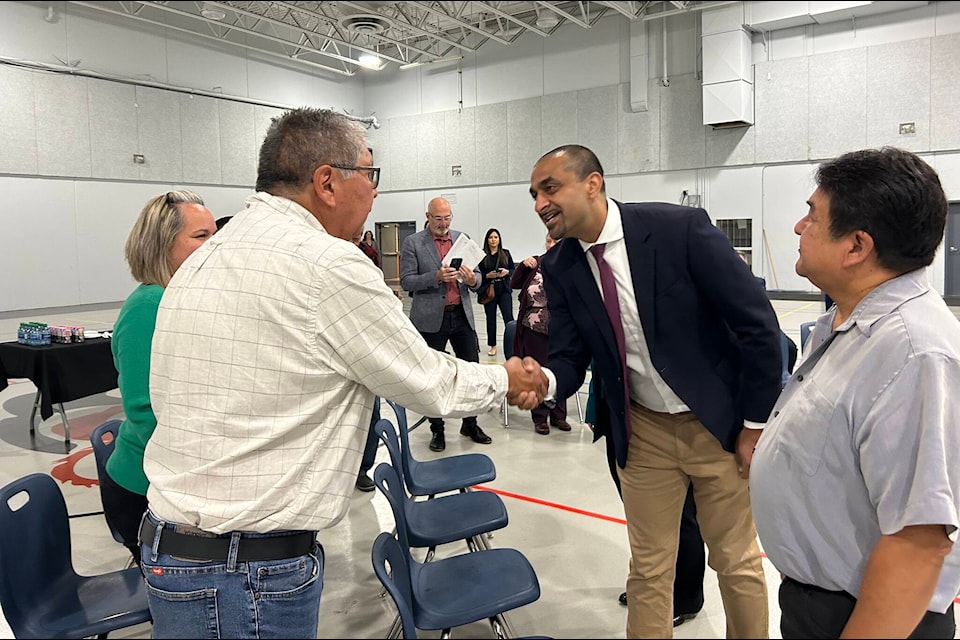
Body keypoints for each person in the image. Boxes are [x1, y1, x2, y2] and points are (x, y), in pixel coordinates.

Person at [140, 108, 547, 639]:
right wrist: (510, 380)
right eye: (370, 174)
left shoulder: (205, 256)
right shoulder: (325, 263)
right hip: (245, 573)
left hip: (177, 551)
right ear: (327, 181)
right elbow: (428, 381)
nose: (375, 193)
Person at [531, 144, 782, 638]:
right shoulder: (559, 266)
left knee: (735, 562)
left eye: (551, 188)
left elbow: (758, 326)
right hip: (642, 429)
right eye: (535, 194)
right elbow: (569, 356)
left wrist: (755, 424)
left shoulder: (678, 230)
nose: (540, 202)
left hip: (716, 425)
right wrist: (546, 382)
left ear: (593, 183)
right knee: (648, 568)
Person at [751, 147, 960, 639]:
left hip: (868, 617)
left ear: (856, 246)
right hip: (820, 602)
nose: (799, 228)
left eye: (812, 215)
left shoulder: (913, 354)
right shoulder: (849, 322)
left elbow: (917, 542)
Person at [100, 190, 216, 565]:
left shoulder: (181, 299)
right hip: (145, 489)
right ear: (162, 244)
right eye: (201, 237)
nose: (215, 247)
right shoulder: (149, 306)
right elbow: (147, 412)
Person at [583, 376, 706, 626]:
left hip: (670, 417)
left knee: (682, 516)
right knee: (643, 518)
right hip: (620, 410)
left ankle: (685, 597)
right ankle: (651, 588)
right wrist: (596, 407)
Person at [400, 196, 494, 452]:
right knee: (433, 377)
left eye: (447, 217)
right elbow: (407, 281)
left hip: (461, 315)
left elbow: (477, 277)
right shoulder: (413, 243)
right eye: (438, 218)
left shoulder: (461, 238)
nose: (443, 223)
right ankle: (437, 429)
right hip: (430, 320)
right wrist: (436, 276)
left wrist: (472, 279)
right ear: (427, 216)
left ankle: (470, 423)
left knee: (471, 371)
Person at [510, 232, 570, 434]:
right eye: (548, 240)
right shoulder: (535, 263)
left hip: (560, 329)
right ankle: (540, 417)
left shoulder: (571, 265)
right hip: (533, 328)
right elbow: (514, 283)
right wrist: (522, 266)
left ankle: (559, 415)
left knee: (560, 370)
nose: (551, 244)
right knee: (538, 371)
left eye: (556, 241)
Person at [478, 228, 515, 357]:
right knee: (491, 318)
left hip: (504, 289)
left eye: (496, 237)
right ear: (487, 240)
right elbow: (478, 274)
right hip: (490, 290)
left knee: (508, 318)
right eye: (491, 237)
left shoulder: (505, 253)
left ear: (499, 240)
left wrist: (507, 272)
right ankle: (493, 345)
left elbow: (513, 269)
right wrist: (487, 275)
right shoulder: (482, 255)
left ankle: (513, 343)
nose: (493, 240)